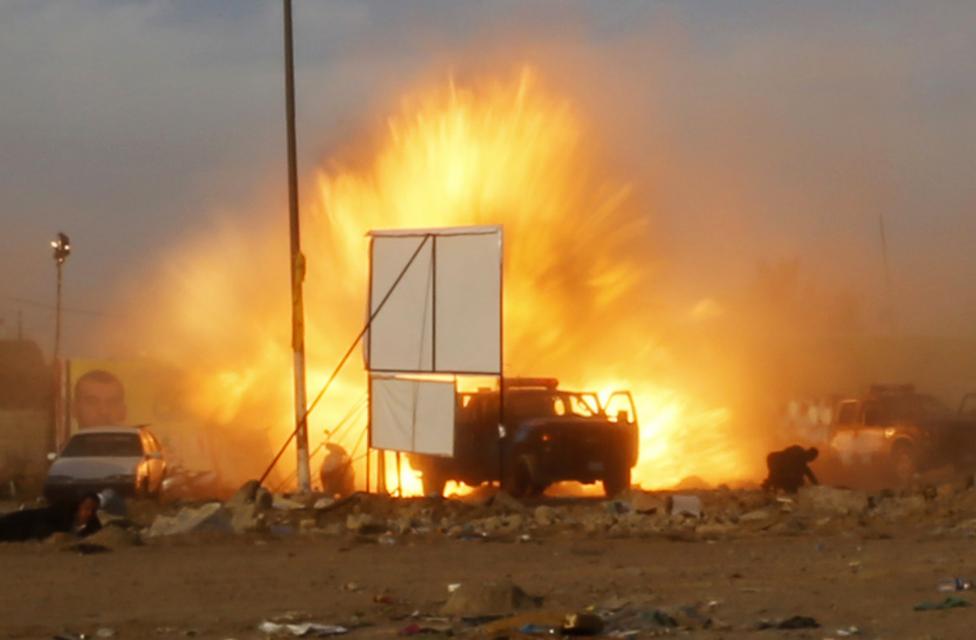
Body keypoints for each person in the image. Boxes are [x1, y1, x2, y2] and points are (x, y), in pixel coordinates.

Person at [0, 493, 102, 542]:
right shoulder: (63, 511)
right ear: (80, 506)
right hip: (29, 520)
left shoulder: (93, 526)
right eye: (87, 508)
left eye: (93, 510)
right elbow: (43, 520)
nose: (89, 513)